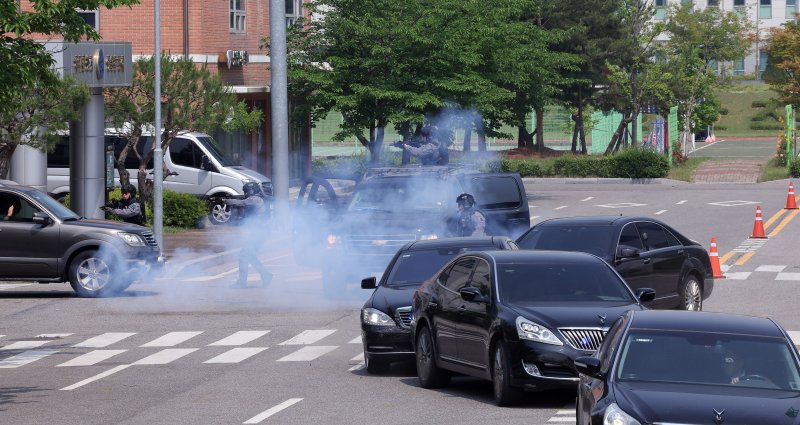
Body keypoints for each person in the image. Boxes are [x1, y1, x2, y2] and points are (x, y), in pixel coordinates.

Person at [225, 182, 273, 288]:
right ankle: (265, 275)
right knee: (249, 255)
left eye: (246, 191)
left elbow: (242, 203)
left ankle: (242, 282)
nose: (246, 193)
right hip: (261, 231)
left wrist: (227, 200)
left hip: (260, 232)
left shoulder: (256, 199)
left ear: (251, 190)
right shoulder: (260, 198)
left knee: (244, 255)